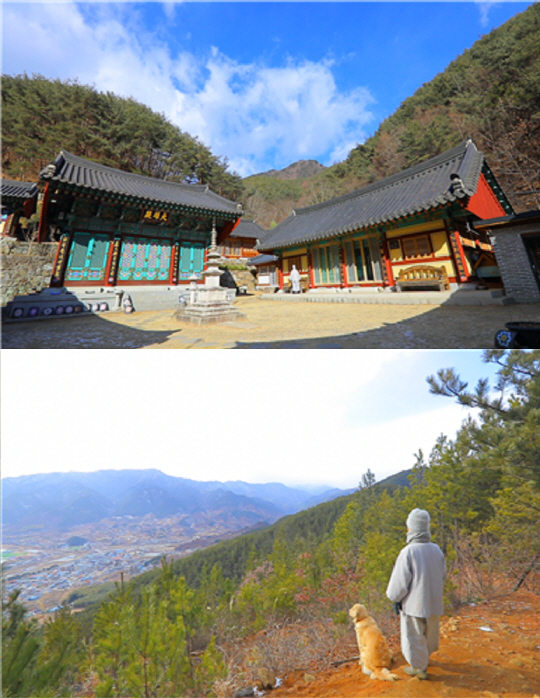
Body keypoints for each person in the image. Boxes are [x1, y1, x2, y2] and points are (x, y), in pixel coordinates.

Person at [386, 508, 446, 680]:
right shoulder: (436, 550)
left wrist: (395, 598)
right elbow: (442, 575)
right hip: (434, 602)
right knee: (429, 633)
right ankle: (425, 660)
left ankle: (419, 668)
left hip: (414, 604)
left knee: (414, 637)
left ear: (411, 529)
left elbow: (399, 583)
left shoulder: (409, 552)